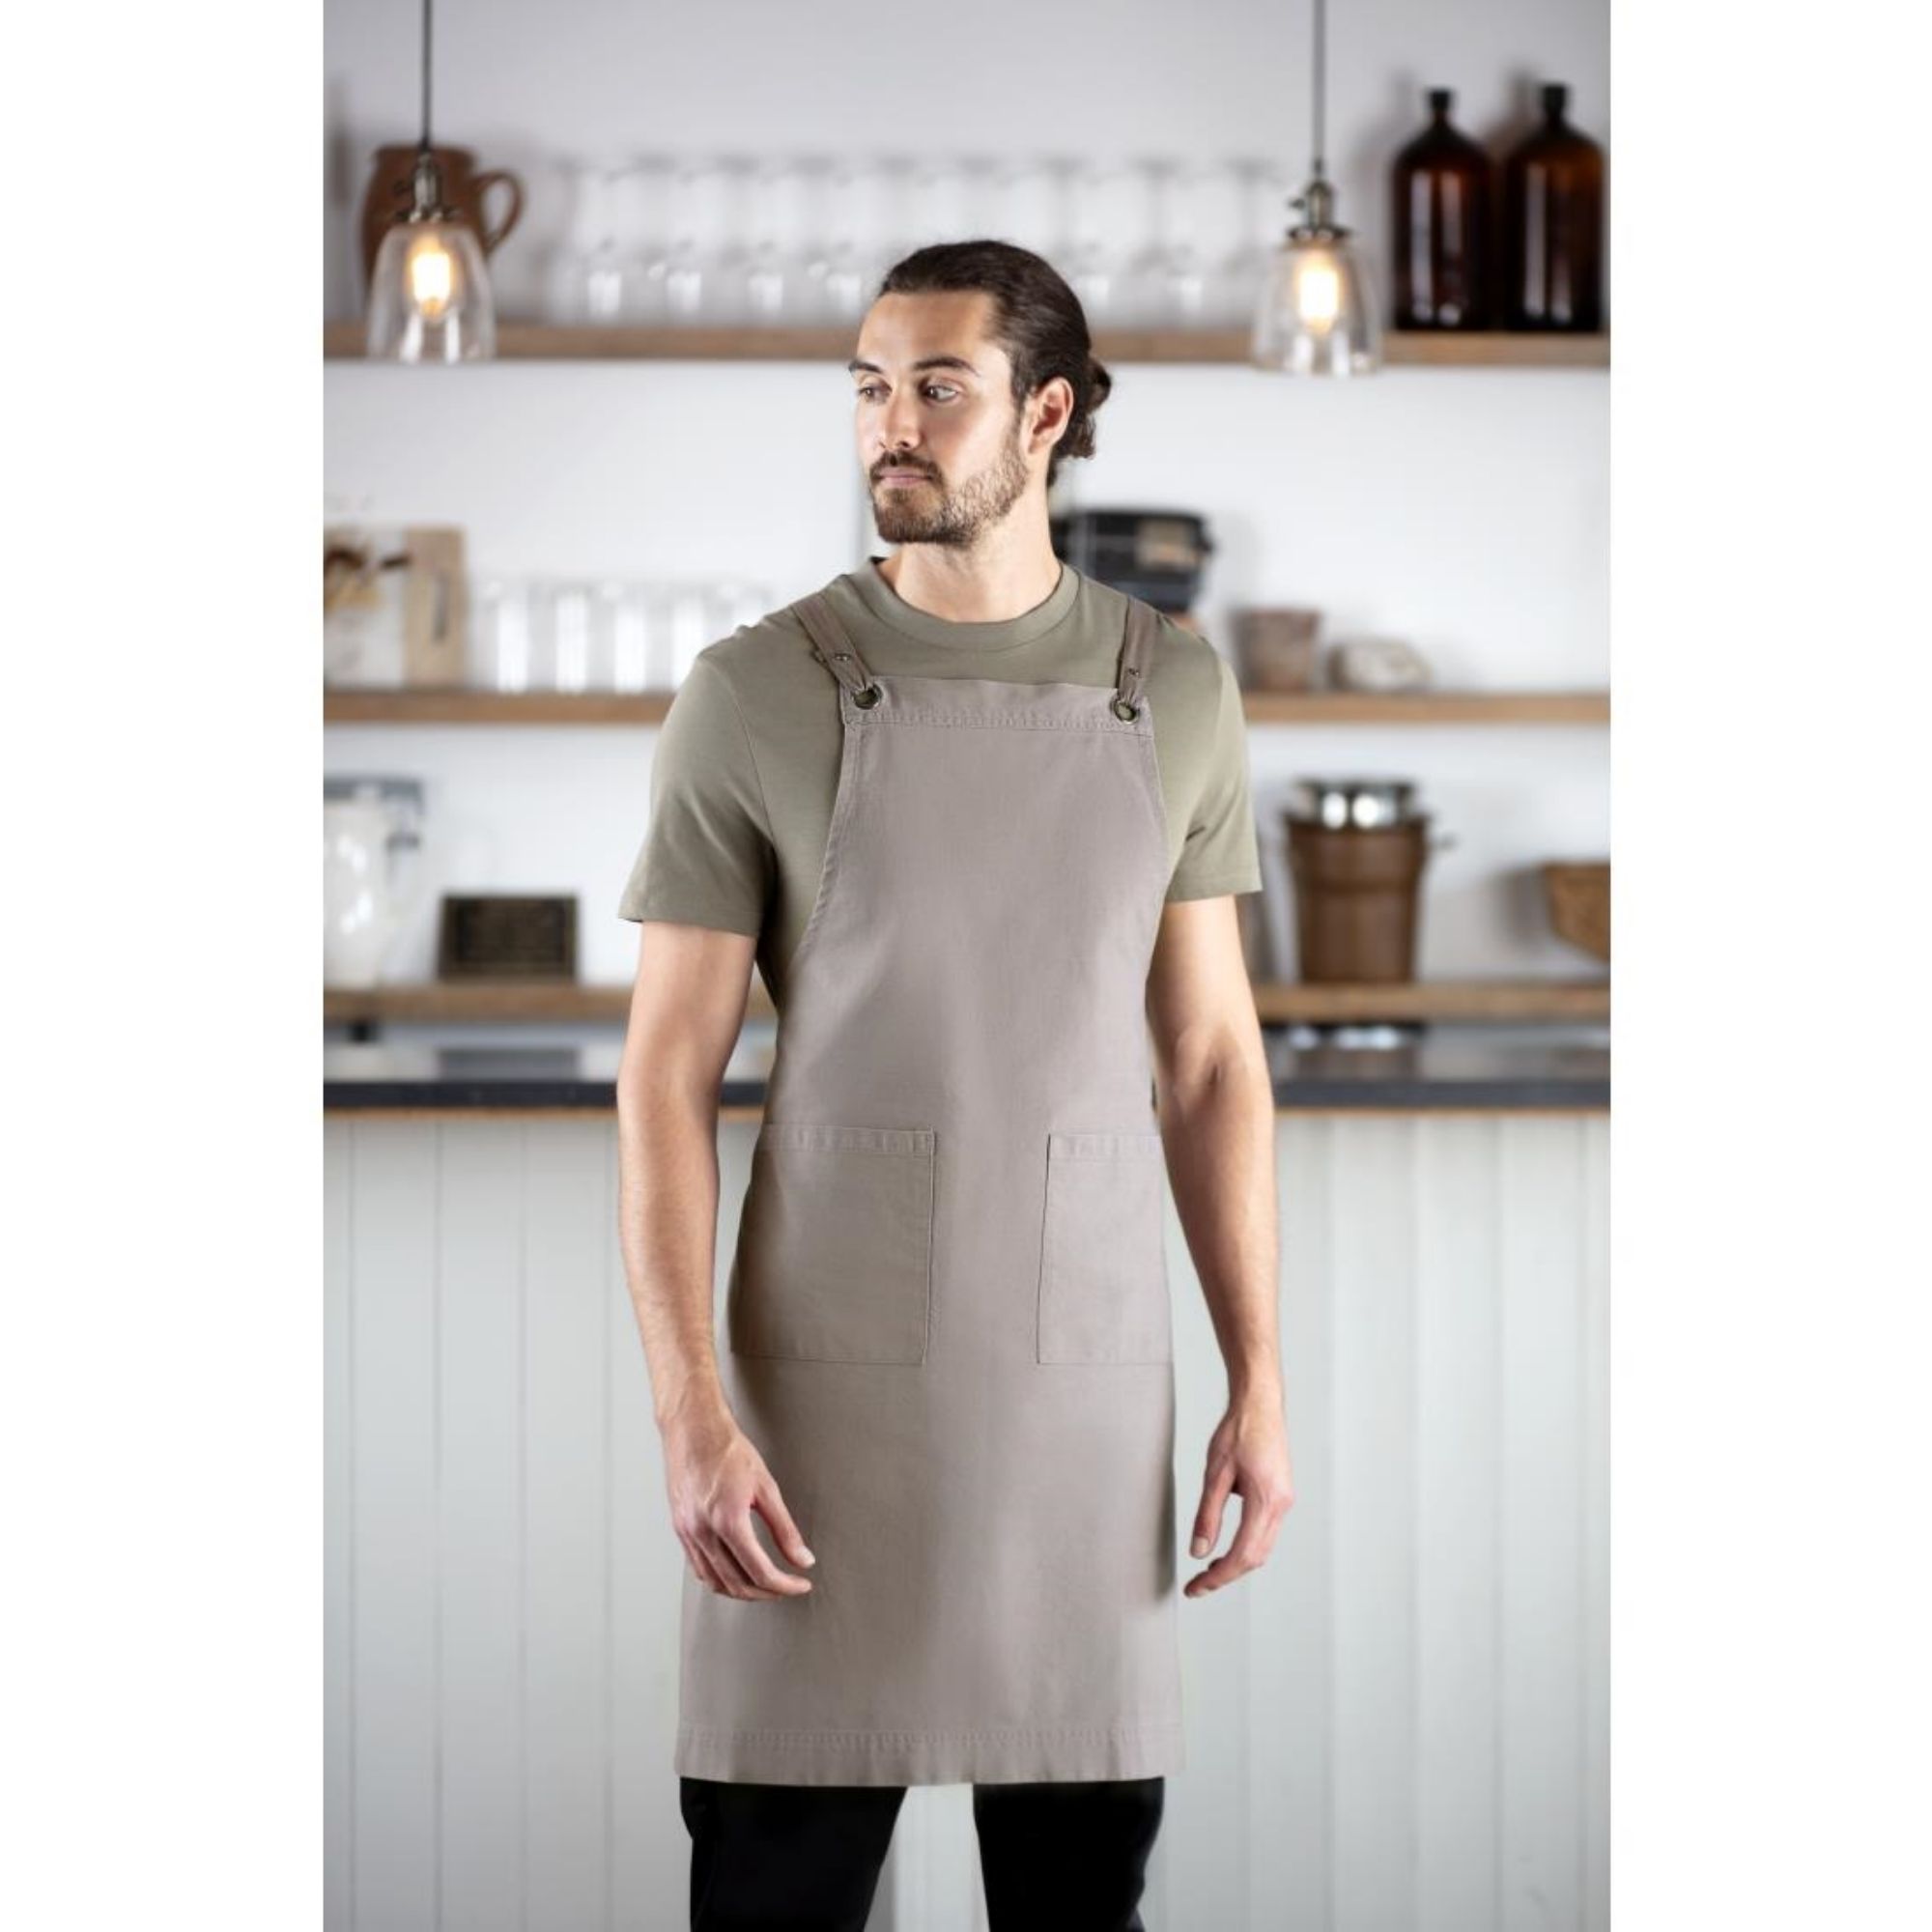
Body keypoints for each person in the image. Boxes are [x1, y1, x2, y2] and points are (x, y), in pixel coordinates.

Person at [615, 239, 1294, 1931]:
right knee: (774, 1899)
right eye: (869, 385)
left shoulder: (1174, 689)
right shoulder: (755, 693)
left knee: (1080, 1907)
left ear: (1046, 414)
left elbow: (1212, 1060)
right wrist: (691, 1417)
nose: (889, 425)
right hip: (812, 1414)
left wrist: (1259, 1379)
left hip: (1081, 1401)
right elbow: (665, 1081)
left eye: (937, 386)